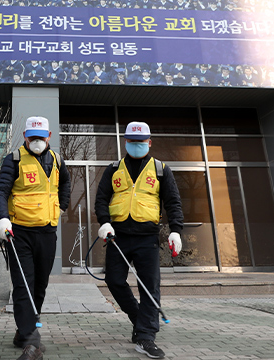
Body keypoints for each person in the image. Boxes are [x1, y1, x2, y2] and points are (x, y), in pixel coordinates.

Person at [94, 121, 183, 360]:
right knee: (114, 281)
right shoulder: (114, 169)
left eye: (141, 142)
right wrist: (104, 222)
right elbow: (101, 199)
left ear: (149, 142)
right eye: (132, 142)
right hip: (117, 237)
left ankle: (146, 337)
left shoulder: (161, 169)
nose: (136, 146)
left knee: (149, 287)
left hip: (147, 238)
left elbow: (173, 202)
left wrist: (176, 230)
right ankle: (138, 319)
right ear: (125, 142)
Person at [0, 116, 70, 360]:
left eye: (41, 137)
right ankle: (32, 343)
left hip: (47, 232)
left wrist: (62, 206)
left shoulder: (57, 160)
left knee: (39, 286)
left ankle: (23, 332)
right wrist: (2, 218)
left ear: (49, 137)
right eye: (32, 137)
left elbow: (66, 183)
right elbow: (0, 191)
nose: (37, 141)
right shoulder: (13, 159)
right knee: (23, 285)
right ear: (25, 136)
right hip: (20, 233)